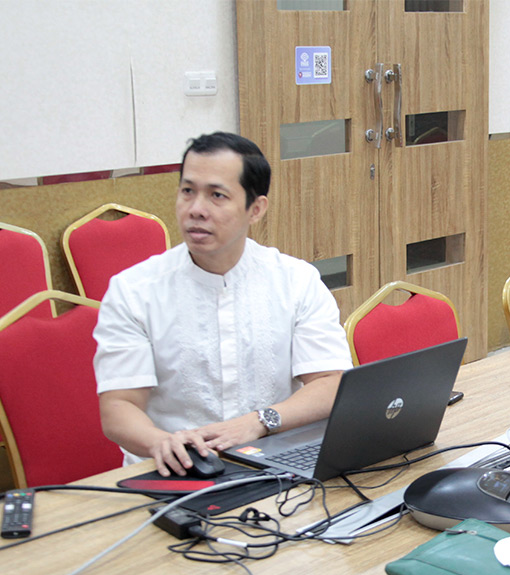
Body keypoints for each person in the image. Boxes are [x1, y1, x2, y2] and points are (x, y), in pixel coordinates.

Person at [93, 132, 352, 476]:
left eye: (217, 195)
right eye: (188, 191)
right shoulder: (134, 290)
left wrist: (260, 422)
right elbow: (119, 406)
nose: (196, 210)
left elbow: (331, 383)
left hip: (274, 461)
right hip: (175, 471)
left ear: (255, 209)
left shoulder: (295, 280)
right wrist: (162, 443)